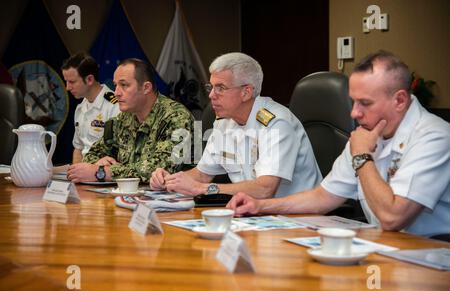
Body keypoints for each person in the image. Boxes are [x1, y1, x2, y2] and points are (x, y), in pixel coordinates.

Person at [228, 50, 450, 237]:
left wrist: (362, 156)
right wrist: (259, 206)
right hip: (385, 247)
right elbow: (323, 197)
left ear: (400, 100)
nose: (354, 113)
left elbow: (393, 218)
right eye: (354, 102)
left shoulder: (433, 136)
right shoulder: (368, 133)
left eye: (365, 103)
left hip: (431, 258)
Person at [150, 52, 322, 198]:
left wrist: (202, 190)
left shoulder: (276, 123)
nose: (211, 95)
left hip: (299, 217)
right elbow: (202, 174)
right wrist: (169, 180)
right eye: (211, 86)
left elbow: (265, 189)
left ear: (246, 92)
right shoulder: (223, 123)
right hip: (255, 214)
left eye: (221, 88)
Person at [67, 58, 194, 183]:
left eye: (124, 85)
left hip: (178, 199)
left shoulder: (179, 117)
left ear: (146, 88)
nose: (116, 93)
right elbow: (92, 154)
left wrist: (102, 172)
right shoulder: (123, 118)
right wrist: (98, 163)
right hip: (134, 196)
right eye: (116, 85)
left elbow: (161, 170)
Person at [62, 53, 120, 163]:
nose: (67, 87)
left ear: (89, 79)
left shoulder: (114, 106)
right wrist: (77, 174)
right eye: (66, 81)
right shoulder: (80, 108)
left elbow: (119, 153)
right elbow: (78, 148)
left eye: (72, 82)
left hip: (103, 173)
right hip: (83, 174)